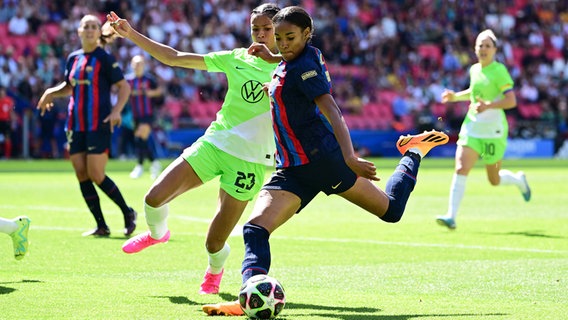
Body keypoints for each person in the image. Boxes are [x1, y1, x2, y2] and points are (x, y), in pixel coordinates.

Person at [202, 6, 449, 316]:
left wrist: (349, 157)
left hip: (324, 163)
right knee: (254, 229)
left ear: (307, 33)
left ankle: (413, 152)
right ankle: (249, 297)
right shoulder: (297, 59)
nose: (283, 44)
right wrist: (272, 58)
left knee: (391, 211)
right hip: (292, 169)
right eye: (278, 38)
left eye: (290, 37)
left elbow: (331, 109)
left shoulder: (303, 66)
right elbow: (292, 67)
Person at [107, 3, 281, 295]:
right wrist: (132, 34)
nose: (260, 35)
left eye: (267, 29)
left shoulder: (292, 66)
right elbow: (174, 58)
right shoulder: (235, 58)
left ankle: (214, 271)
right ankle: (157, 234)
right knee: (153, 198)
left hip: (250, 162)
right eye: (255, 29)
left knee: (214, 242)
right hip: (215, 143)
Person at [36, 14, 137, 237]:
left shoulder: (105, 58)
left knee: (96, 173)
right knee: (81, 173)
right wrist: (51, 92)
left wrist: (116, 111)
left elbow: (124, 87)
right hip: (75, 123)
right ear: (79, 32)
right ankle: (101, 225)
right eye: (86, 26)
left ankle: (128, 212)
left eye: (93, 26)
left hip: (98, 123)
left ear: (98, 32)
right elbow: (69, 86)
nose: (90, 30)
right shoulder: (73, 58)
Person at [436, 29, 531, 230]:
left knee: (493, 179)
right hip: (472, 128)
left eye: (488, 45)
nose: (483, 49)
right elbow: (474, 93)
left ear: (495, 49)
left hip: (493, 133)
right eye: (480, 45)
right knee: (461, 168)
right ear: (475, 48)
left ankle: (518, 180)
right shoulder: (474, 70)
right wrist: (455, 97)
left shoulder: (499, 71)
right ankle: (451, 216)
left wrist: (488, 105)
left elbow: (511, 100)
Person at [126, 54, 163, 180]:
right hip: (136, 114)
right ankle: (154, 163)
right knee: (141, 140)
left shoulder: (149, 80)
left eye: (140, 63)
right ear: (131, 65)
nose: (138, 66)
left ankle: (140, 166)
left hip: (148, 114)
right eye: (136, 64)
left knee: (141, 138)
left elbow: (159, 91)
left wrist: (150, 93)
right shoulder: (129, 80)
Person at [0, 86, 14, 158]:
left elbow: (11, 112)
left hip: (5, 122)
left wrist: (12, 122)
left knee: (7, 139)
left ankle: (7, 156)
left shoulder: (9, 100)